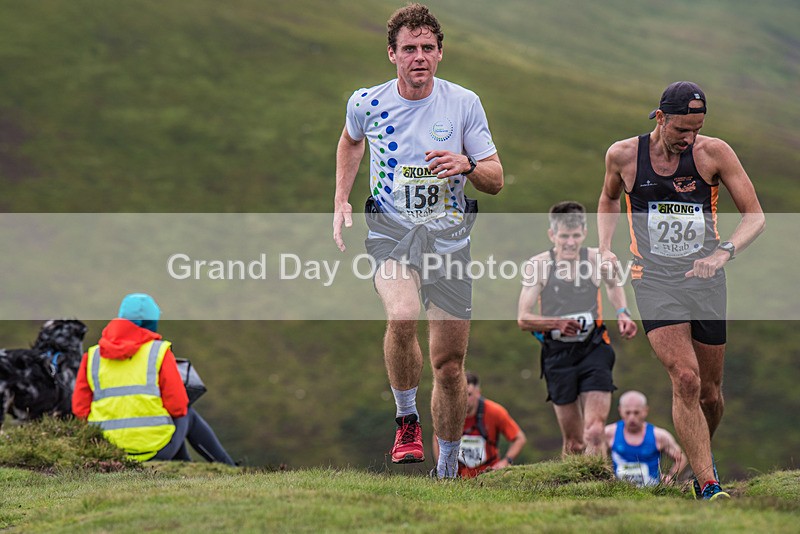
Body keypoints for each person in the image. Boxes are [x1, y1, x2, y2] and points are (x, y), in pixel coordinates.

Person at [332, 3, 503, 478]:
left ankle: (447, 470)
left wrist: (466, 165)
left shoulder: (464, 103)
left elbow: (496, 178)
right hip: (391, 232)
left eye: (428, 48)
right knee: (402, 312)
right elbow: (350, 140)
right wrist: (341, 199)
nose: (419, 57)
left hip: (449, 241)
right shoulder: (367, 102)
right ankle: (406, 418)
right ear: (392, 54)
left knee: (449, 367)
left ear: (440, 54)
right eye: (409, 49)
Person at [597, 81, 765, 500]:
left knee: (710, 395)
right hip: (653, 278)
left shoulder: (714, 153)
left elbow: (755, 216)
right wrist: (603, 249)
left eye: (697, 129)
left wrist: (723, 254)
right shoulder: (623, 155)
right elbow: (608, 199)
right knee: (685, 378)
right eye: (681, 131)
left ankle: (697, 456)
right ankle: (709, 485)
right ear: (660, 118)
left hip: (706, 279)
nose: (689, 139)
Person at [517, 201, 637, 457]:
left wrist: (622, 312)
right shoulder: (539, 265)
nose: (570, 242)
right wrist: (556, 323)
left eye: (575, 236)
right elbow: (523, 318)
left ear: (584, 232)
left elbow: (613, 285)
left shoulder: (595, 258)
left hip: (594, 349)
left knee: (594, 431)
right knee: (574, 443)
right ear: (552, 235)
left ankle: (601, 487)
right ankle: (573, 490)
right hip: (557, 356)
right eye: (563, 236)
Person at [72, 293, 235, 465]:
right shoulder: (158, 352)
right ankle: (228, 467)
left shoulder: (92, 356)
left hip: (106, 450)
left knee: (172, 422)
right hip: (154, 450)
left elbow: (80, 410)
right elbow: (178, 406)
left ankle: (185, 466)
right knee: (187, 414)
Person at [432, 371, 526, 478]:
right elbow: (437, 439)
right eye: (460, 395)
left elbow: (519, 438)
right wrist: (443, 467)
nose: (464, 400)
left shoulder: (495, 412)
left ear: (478, 392)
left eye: (469, 394)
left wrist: (506, 461)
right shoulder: (448, 415)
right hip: (458, 477)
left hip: (490, 475)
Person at [605, 390, 687, 487]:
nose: (632, 417)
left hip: (651, 487)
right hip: (619, 488)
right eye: (627, 413)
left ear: (645, 411)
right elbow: (596, 458)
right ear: (620, 411)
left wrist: (670, 477)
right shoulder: (609, 433)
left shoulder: (659, 435)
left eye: (636, 413)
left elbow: (681, 458)